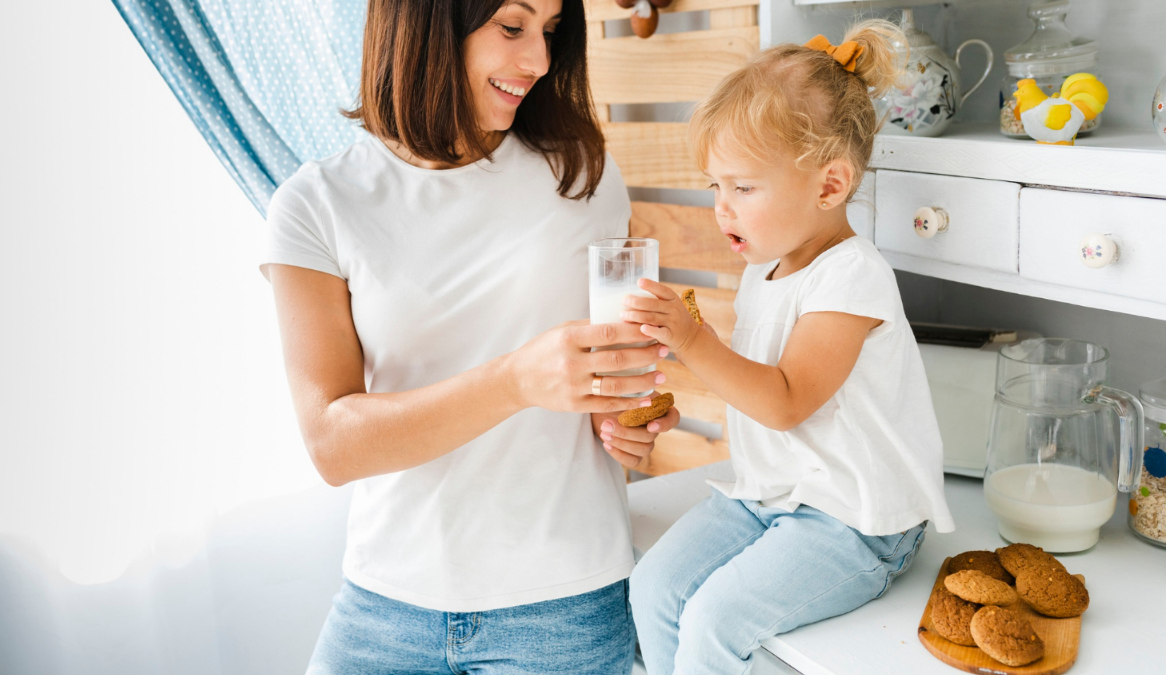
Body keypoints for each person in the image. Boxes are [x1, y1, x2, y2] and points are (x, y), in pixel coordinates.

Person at [261, 0, 680, 672]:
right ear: (425, 21)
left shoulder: (583, 176)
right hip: (385, 605)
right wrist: (514, 380)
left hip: (563, 605)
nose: (539, 61)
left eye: (549, 32)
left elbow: (612, 375)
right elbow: (333, 442)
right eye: (512, 28)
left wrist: (630, 418)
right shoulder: (316, 204)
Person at [624, 22, 956, 674]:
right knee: (653, 586)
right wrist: (676, 349)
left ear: (829, 186)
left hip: (853, 518)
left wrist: (693, 340)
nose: (722, 208)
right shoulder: (765, 270)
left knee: (717, 619)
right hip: (771, 494)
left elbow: (786, 402)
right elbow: (751, 383)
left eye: (743, 187)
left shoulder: (852, 275)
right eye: (715, 185)